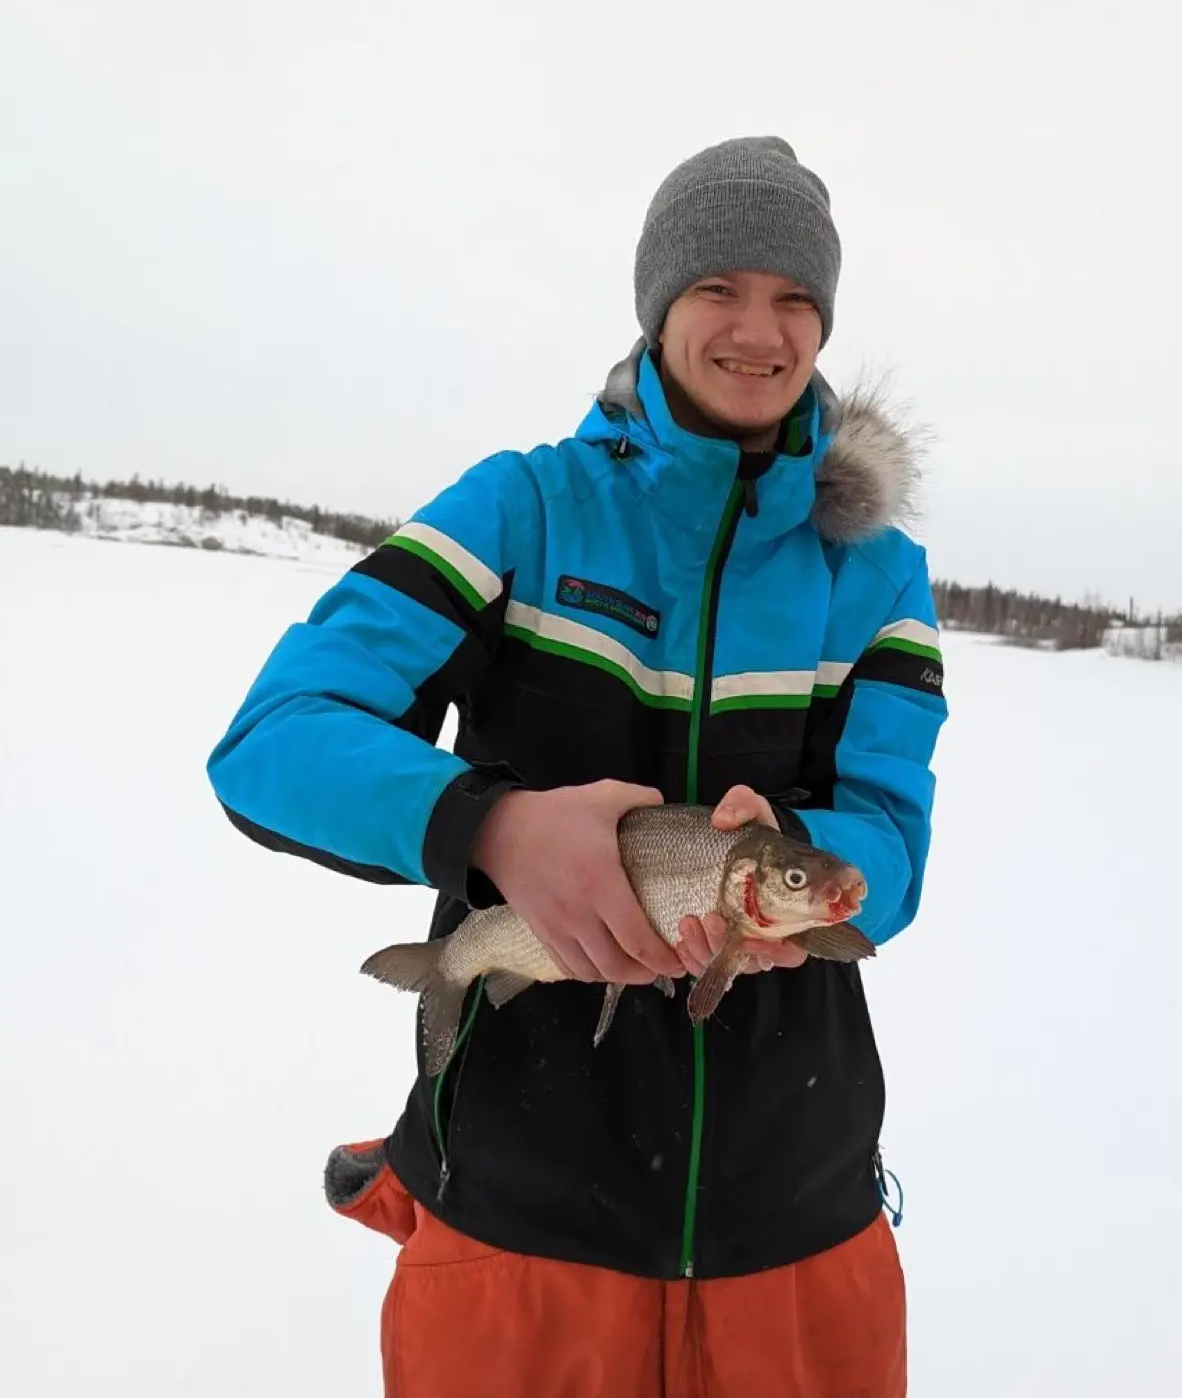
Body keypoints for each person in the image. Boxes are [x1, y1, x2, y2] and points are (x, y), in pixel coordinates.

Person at [207, 135, 947, 1397]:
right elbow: (274, 743)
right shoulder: (524, 511)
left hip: (800, 1226)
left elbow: (887, 828)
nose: (758, 330)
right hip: (518, 1221)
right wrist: (489, 828)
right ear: (659, 305)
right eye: (719, 288)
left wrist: (825, 872)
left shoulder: (875, 576)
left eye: (795, 299)